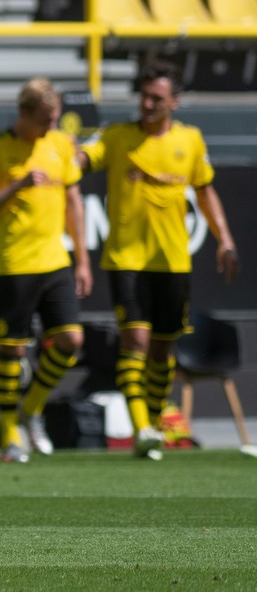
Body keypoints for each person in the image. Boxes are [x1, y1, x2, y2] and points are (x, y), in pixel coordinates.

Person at [78, 59, 238, 461]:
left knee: (163, 351)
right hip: (126, 259)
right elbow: (85, 158)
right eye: (144, 96)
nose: (147, 104)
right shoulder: (117, 137)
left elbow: (205, 191)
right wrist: (70, 152)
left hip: (172, 262)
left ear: (175, 102)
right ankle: (142, 426)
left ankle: (151, 426)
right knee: (135, 341)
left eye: (156, 98)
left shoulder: (190, 141)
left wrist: (225, 239)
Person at [0, 77, 92, 463]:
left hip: (55, 260)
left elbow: (73, 200)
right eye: (45, 120)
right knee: (11, 350)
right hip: (14, 263)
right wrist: (15, 187)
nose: (51, 127)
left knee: (72, 340)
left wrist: (83, 258)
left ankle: (33, 406)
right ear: (23, 114)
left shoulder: (59, 145)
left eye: (55, 119)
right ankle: (10, 433)